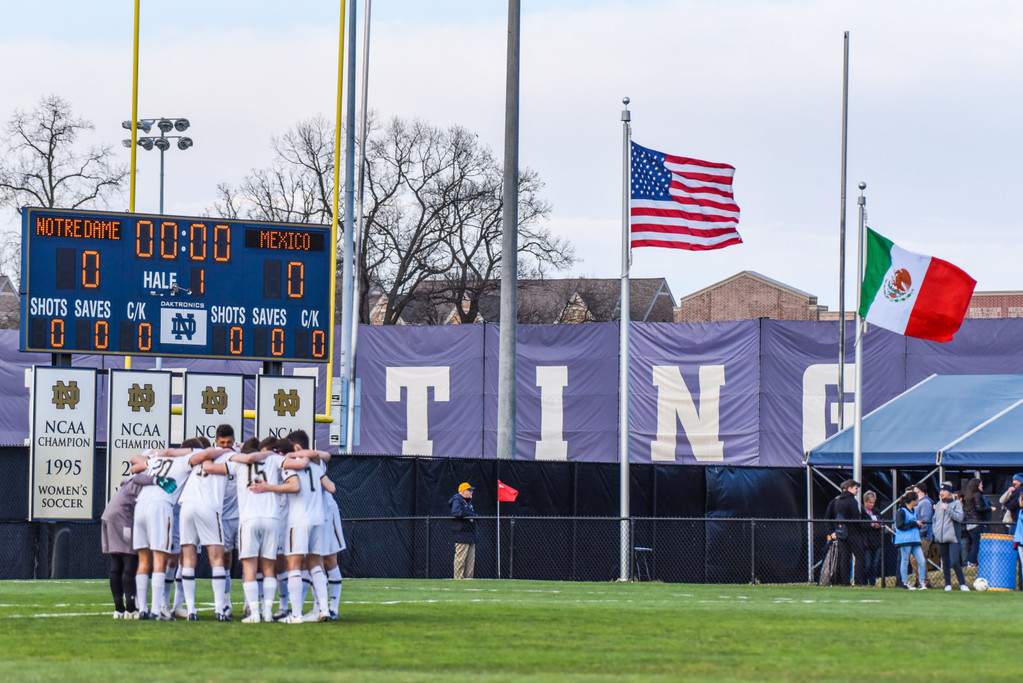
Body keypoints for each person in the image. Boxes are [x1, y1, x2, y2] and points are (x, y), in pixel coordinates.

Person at [100, 471, 154, 619]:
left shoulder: (130, 482)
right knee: (130, 560)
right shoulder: (144, 478)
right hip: (122, 518)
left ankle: (119, 609)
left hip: (109, 516)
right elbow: (139, 477)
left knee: (117, 564)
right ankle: (130, 609)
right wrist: (158, 480)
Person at [826, 479, 865, 586]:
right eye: (856, 488)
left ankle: (845, 582)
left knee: (844, 558)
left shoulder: (835, 501)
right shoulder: (852, 501)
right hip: (853, 533)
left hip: (841, 533)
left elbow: (828, 518)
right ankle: (858, 581)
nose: (857, 491)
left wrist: (832, 532)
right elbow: (856, 518)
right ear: (849, 488)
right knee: (860, 556)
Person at [932, 483, 969, 591]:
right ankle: (947, 584)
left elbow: (959, 518)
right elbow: (935, 519)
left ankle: (962, 583)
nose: (941, 493)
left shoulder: (956, 503)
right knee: (945, 561)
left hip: (953, 537)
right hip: (940, 538)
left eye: (944, 491)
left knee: (955, 561)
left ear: (949, 492)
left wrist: (948, 509)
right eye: (940, 491)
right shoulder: (939, 504)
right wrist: (936, 531)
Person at [895, 490, 927, 590]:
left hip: (915, 539)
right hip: (905, 540)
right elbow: (900, 525)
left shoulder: (914, 511)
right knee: (905, 561)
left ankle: (922, 582)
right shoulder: (901, 511)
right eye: (917, 499)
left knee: (922, 561)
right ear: (913, 500)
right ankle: (905, 582)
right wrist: (914, 524)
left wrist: (918, 526)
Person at [449, 482, 477, 579]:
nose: (471, 492)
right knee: (461, 558)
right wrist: (469, 515)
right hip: (461, 534)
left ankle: (468, 578)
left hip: (470, 534)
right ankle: (458, 578)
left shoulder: (468, 503)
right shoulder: (458, 500)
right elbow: (457, 512)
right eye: (469, 490)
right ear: (463, 491)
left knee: (470, 559)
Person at [963, 478, 994, 567]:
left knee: (975, 544)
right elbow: (979, 508)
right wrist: (990, 508)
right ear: (977, 486)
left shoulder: (969, 496)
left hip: (970, 523)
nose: (982, 486)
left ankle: (972, 562)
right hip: (977, 522)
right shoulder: (977, 495)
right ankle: (972, 562)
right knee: (977, 544)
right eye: (981, 484)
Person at [909, 483, 934, 587]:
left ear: (918, 490)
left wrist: (919, 534)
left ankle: (924, 582)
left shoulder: (925, 503)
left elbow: (926, 521)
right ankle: (920, 580)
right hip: (920, 535)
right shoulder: (921, 503)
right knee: (916, 559)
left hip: (923, 537)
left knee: (916, 559)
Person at [861, 490, 883, 587]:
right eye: (870, 502)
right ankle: (865, 582)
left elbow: (882, 520)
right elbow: (860, 525)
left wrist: (879, 524)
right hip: (866, 542)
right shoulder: (861, 511)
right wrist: (870, 525)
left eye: (873, 502)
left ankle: (873, 583)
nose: (872, 504)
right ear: (865, 501)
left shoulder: (877, 511)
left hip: (877, 541)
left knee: (875, 564)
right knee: (867, 564)